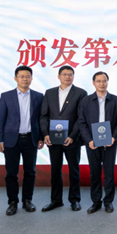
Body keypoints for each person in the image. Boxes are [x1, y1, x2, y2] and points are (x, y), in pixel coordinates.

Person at [0, 65, 44, 215]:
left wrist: (41, 137)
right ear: (15, 78)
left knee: (30, 172)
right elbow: (0, 119)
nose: (25, 79)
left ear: (31, 78)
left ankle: (27, 200)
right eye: (22, 76)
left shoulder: (38, 96)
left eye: (27, 76)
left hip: (31, 139)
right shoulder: (6, 96)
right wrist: (0, 140)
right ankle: (12, 202)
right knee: (11, 172)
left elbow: (41, 119)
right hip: (11, 140)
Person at [39, 65, 88, 212]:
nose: (67, 77)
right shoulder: (49, 93)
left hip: (71, 139)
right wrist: (45, 134)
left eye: (70, 74)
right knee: (55, 170)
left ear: (73, 76)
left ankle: (75, 200)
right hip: (53, 139)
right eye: (64, 74)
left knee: (74, 170)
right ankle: (56, 200)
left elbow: (81, 117)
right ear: (58, 76)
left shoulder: (80, 93)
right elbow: (44, 115)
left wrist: (72, 136)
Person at [77, 71, 117, 214]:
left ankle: (108, 201)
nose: (102, 83)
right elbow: (81, 122)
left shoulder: (115, 100)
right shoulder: (86, 101)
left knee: (109, 173)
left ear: (107, 82)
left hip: (110, 142)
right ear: (93, 83)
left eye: (104, 81)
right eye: (98, 81)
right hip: (92, 143)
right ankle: (96, 202)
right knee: (95, 173)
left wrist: (113, 137)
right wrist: (89, 140)